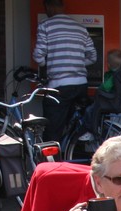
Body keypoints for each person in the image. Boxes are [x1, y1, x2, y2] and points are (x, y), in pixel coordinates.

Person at [32, 0, 98, 141]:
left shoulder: (45, 25)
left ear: (48, 7)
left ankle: (54, 154)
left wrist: (47, 64)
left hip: (59, 87)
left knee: (52, 130)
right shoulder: (80, 28)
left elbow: (38, 56)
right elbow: (93, 56)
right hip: (81, 85)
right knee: (73, 127)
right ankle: (73, 148)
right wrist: (77, 63)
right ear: (62, 6)